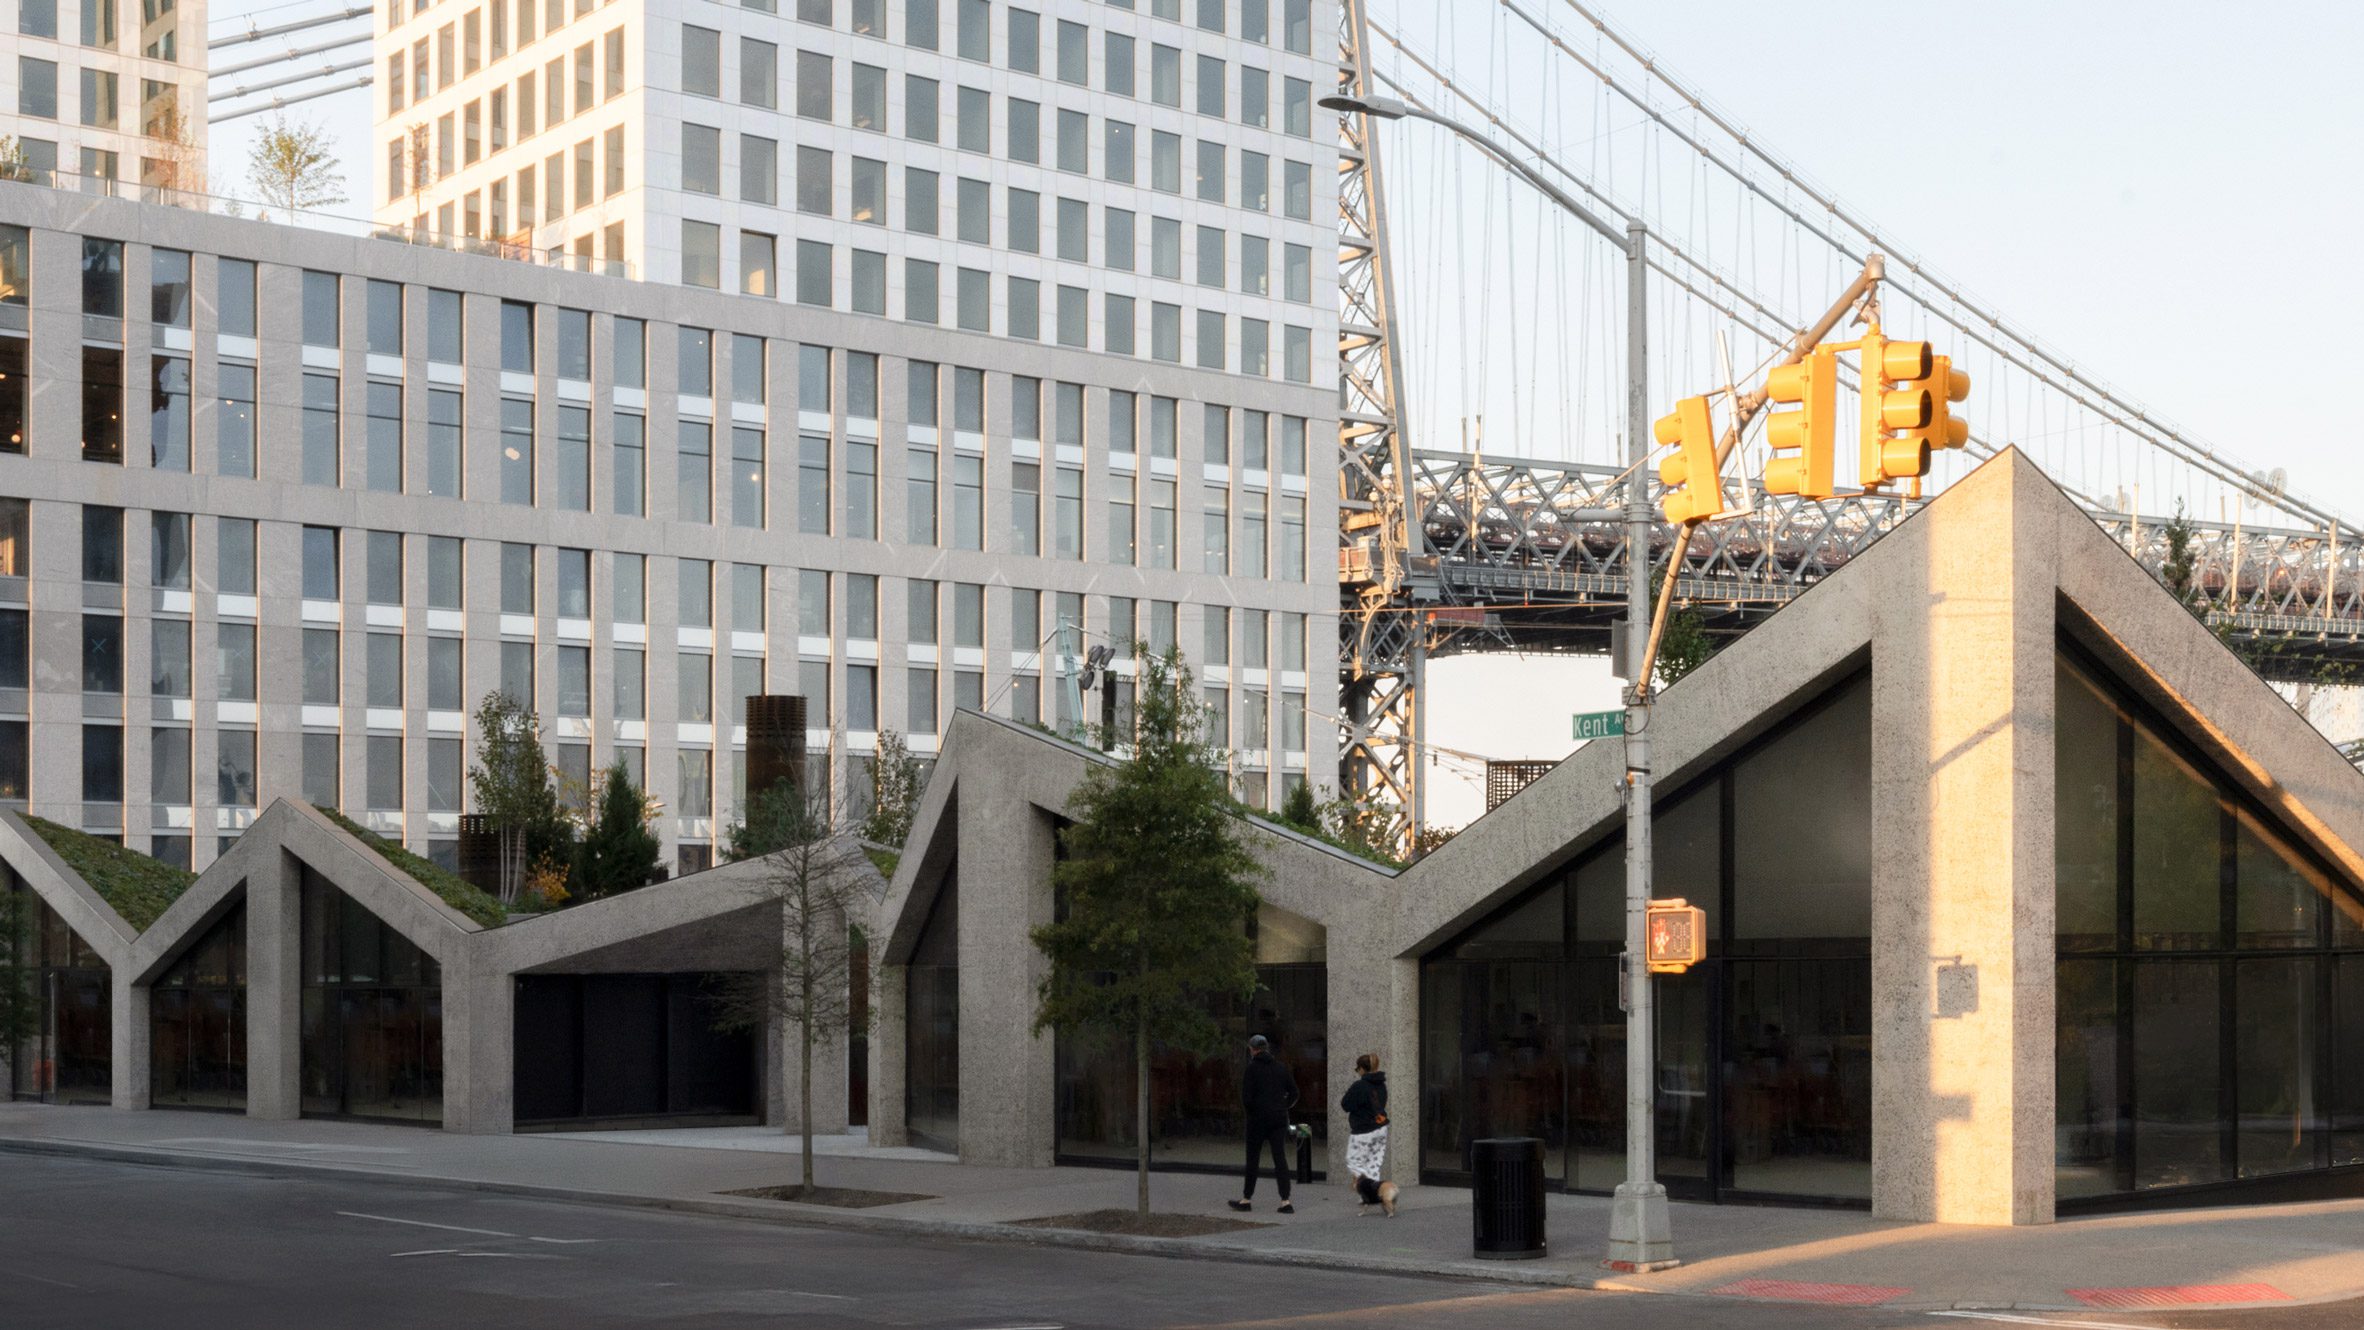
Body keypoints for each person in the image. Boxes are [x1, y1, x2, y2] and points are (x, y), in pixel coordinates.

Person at [1228, 1034, 1298, 1213]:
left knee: (1252, 1159)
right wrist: (1283, 1106)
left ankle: (1246, 1199)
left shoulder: (1252, 1069)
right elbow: (1294, 1093)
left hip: (1257, 1120)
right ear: (1266, 1048)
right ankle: (1285, 1201)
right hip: (1278, 1119)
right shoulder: (1280, 1068)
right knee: (1280, 1158)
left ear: (1252, 1050)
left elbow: (1246, 1098)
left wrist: (1253, 1113)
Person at [1341, 1052, 1398, 1217]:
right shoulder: (1382, 1085)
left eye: (1357, 1068)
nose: (1357, 1071)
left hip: (1363, 1129)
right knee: (1374, 1163)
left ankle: (1366, 1191)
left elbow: (1345, 1105)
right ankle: (1375, 1194)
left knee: (1354, 1161)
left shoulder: (1359, 1086)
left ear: (1362, 1069)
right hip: (1381, 1127)